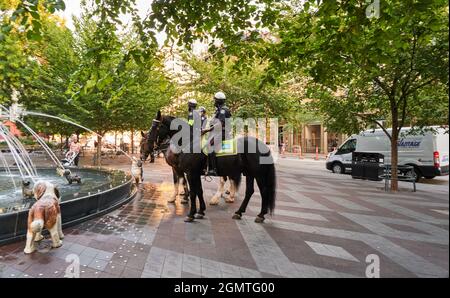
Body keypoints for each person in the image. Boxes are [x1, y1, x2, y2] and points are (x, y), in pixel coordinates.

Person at [203, 92, 231, 176]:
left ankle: (213, 169)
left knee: (209, 145)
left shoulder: (223, 110)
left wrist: (208, 129)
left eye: (215, 100)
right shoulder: (219, 110)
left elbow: (221, 123)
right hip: (217, 132)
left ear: (218, 101)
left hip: (222, 133)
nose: (214, 101)